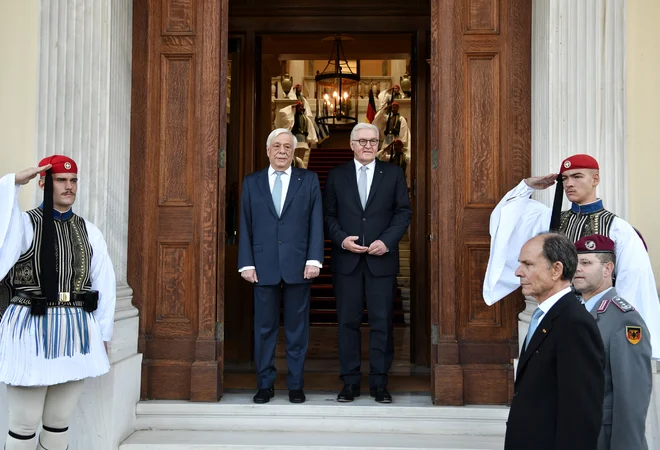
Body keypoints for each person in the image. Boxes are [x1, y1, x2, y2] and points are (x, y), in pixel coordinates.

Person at [483, 153, 660, 358]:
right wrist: (527, 186)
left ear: (595, 179)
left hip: (597, 321)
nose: (569, 184)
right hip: (556, 316)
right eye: (565, 178)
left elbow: (632, 283)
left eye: (577, 177)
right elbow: (505, 220)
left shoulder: (619, 229)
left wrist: (625, 336)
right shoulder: (550, 220)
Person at [0, 155, 116, 450]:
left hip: (77, 331)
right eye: (61, 180)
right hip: (29, 329)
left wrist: (103, 334)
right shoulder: (23, 225)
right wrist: (13, 182)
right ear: (43, 183)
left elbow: (104, 284)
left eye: (73, 180)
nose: (69, 186)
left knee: (58, 422)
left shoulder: (90, 231)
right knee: (24, 425)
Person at [323, 123, 412, 404]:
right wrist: (341, 240)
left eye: (373, 141)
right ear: (351, 144)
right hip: (346, 260)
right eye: (361, 141)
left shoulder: (394, 174)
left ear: (379, 144)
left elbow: (403, 212)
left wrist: (386, 241)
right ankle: (349, 383)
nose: (367, 146)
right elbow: (328, 215)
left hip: (381, 261)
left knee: (382, 323)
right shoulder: (337, 175)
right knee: (347, 323)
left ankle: (379, 383)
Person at [238, 128, 324, 404]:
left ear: (294, 151)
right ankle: (265, 385)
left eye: (288, 146)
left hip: (299, 266)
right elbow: (245, 225)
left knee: (298, 330)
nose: (282, 151)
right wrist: (246, 263)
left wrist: (314, 259)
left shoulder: (308, 180)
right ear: (268, 150)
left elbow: (316, 222)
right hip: (262, 267)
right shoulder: (251, 182)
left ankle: (296, 385)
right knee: (264, 329)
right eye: (277, 146)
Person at [505, 233, 605, 450]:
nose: (518, 272)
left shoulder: (574, 323)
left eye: (528, 264)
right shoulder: (545, 316)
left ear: (556, 270)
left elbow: (581, 414)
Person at [572, 234, 652, 450]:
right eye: (575, 262)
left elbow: (631, 401)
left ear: (608, 269)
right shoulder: (574, 313)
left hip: (603, 439)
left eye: (586, 263)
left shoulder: (625, 320)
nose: (577, 268)